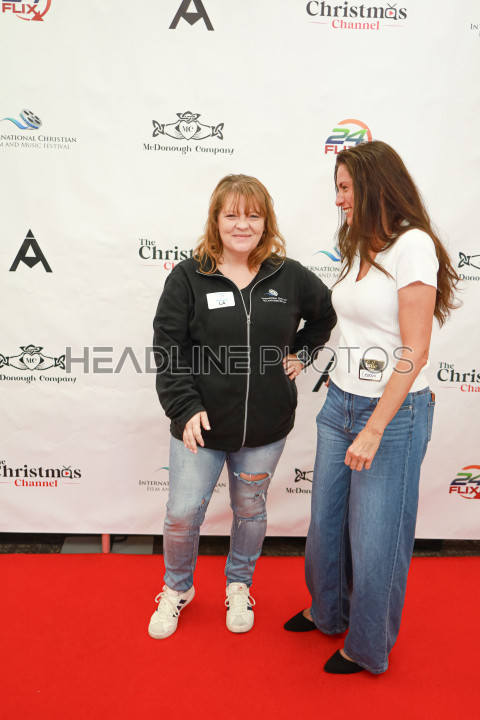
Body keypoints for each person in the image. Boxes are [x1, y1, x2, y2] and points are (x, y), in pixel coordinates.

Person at [285, 141, 459, 674]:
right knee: (326, 524)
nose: (338, 199)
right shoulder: (361, 243)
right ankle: (329, 611)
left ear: (373, 186)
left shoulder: (414, 246)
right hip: (340, 400)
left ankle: (366, 646)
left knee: (376, 537)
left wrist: (376, 426)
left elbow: (415, 350)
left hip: (392, 414)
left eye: (345, 188)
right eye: (336, 188)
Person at [149, 174, 336, 639]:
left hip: (266, 428)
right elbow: (168, 348)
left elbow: (326, 315)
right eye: (231, 214)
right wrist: (184, 407)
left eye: (253, 215)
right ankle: (177, 588)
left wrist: (303, 353)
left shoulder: (289, 276)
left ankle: (239, 584)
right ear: (216, 220)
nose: (242, 224)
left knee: (250, 510)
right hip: (200, 425)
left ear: (265, 222)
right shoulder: (188, 277)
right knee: (182, 514)